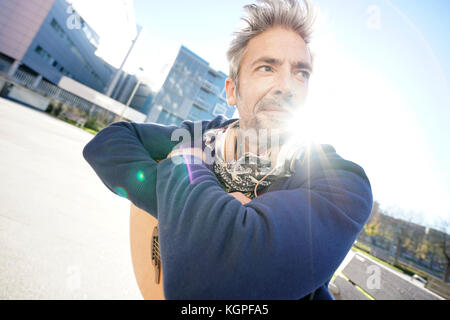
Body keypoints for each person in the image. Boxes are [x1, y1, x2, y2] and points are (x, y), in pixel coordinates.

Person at [83, 0, 373, 300]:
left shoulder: (342, 184)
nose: (287, 85)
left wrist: (186, 171)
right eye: (266, 67)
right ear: (232, 90)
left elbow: (215, 284)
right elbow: (108, 144)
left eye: (301, 73)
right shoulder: (203, 136)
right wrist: (209, 215)